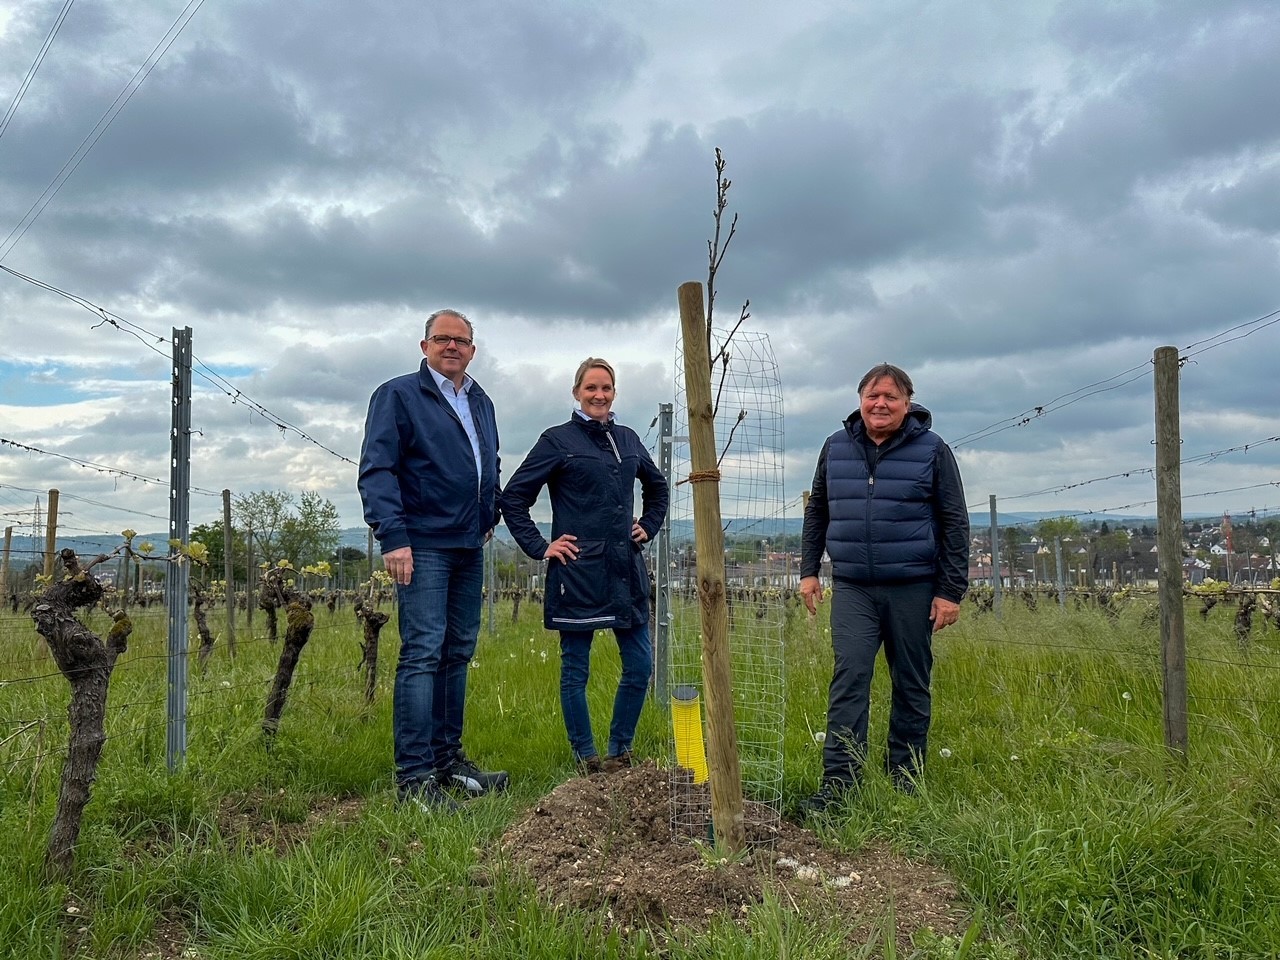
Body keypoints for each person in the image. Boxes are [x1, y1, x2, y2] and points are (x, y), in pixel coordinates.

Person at [799, 362, 969, 810]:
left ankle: (906, 780)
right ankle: (840, 784)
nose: (880, 404)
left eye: (890, 397)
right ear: (860, 401)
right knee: (850, 677)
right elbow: (818, 511)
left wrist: (950, 591)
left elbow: (955, 522)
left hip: (914, 587)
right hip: (853, 586)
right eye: (872, 396)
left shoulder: (933, 449)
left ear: (907, 404)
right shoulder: (835, 447)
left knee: (911, 682)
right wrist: (808, 570)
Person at [358, 309, 509, 811]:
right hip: (421, 543)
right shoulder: (398, 395)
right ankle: (415, 779)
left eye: (461, 341)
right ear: (424, 346)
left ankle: (448, 763)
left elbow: (490, 463)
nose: (452, 346)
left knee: (457, 651)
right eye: (442, 338)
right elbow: (378, 469)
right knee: (422, 653)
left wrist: (488, 514)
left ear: (472, 350)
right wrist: (393, 536)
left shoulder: (481, 401)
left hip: (468, 544)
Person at [501, 358, 669, 774]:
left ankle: (620, 751)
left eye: (606, 388)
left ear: (614, 393)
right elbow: (514, 497)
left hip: (624, 571)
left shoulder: (628, 439)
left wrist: (648, 525)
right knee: (576, 670)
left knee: (640, 666)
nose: (599, 395)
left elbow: (657, 487)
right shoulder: (557, 440)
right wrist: (541, 547)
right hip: (576, 571)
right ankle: (586, 757)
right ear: (576, 392)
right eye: (591, 387)